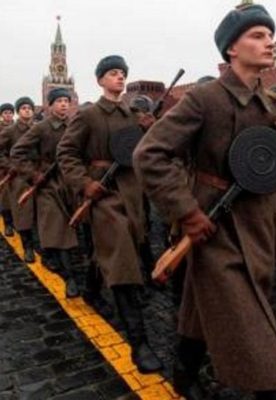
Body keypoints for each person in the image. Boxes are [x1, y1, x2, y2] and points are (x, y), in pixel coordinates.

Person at [134, 3, 276, 399]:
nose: (270, 42)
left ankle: (184, 371)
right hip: (214, 230)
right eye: (258, 35)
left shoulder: (274, 106)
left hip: (259, 228)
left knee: (199, 308)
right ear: (232, 48)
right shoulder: (205, 98)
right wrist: (187, 212)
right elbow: (150, 154)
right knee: (257, 337)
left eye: (271, 34)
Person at [56, 55, 162, 373]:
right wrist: (84, 184)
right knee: (124, 260)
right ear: (100, 79)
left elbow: (145, 151)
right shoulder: (88, 115)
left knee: (111, 251)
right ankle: (139, 342)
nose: (120, 78)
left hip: (131, 193)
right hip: (103, 196)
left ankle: (90, 290)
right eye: (113, 73)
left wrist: (148, 130)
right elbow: (67, 152)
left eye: (123, 74)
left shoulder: (134, 114)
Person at [11, 88, 80, 298]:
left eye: (66, 101)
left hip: (71, 183)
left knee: (69, 228)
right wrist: (33, 175)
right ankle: (70, 279)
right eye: (59, 101)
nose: (63, 105)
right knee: (60, 229)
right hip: (48, 185)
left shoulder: (74, 126)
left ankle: (50, 254)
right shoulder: (41, 128)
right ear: (50, 105)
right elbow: (17, 152)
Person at [0, 97, 36, 262]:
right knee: (22, 212)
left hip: (37, 174)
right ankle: (27, 246)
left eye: (29, 107)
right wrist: (9, 166)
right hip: (18, 175)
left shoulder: (38, 128)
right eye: (23, 108)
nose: (27, 110)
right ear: (18, 112)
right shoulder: (10, 131)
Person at [0, 103, 15, 237]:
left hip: (20, 167)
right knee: (5, 198)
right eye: (5, 113)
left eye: (10, 112)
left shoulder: (17, 127)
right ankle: (8, 224)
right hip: (4, 169)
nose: (8, 115)